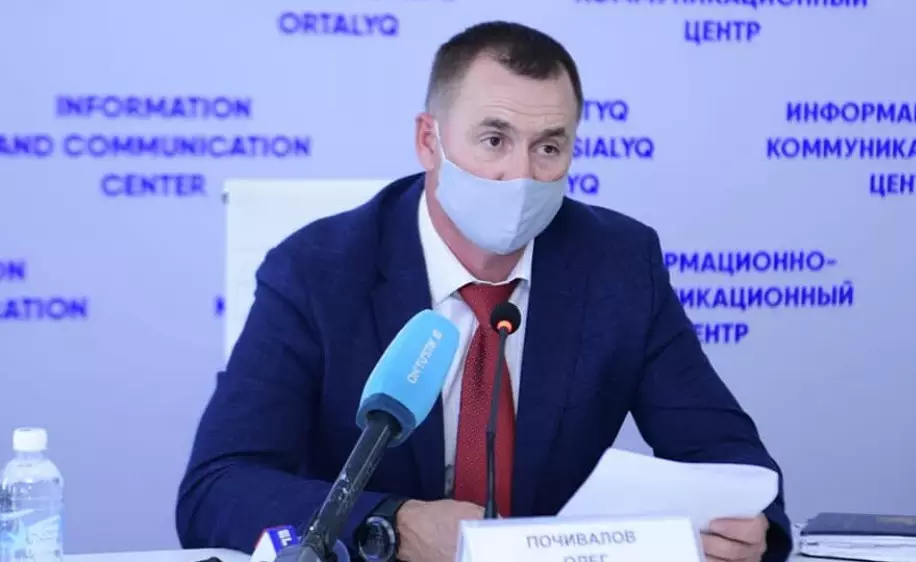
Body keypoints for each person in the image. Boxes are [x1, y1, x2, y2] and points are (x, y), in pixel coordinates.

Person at [176, 20, 792, 562]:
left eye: (549, 147)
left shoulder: (618, 265)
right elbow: (218, 486)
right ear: (430, 141)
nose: (520, 175)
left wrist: (750, 528)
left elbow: (728, 458)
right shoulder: (317, 270)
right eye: (494, 139)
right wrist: (393, 524)